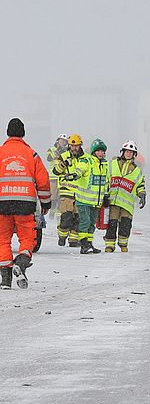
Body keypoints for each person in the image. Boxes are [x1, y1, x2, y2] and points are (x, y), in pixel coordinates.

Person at [0, 118, 51, 290]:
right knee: (28, 238)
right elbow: (43, 182)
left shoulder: (0, 152)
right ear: (23, 133)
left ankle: (5, 280)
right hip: (25, 204)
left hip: (2, 204)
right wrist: (46, 203)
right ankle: (21, 263)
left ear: (8, 133)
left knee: (2, 240)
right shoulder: (32, 154)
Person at [66, 138, 109, 254]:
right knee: (85, 221)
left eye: (102, 151)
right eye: (98, 151)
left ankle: (89, 243)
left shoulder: (105, 164)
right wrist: (75, 174)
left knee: (91, 223)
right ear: (94, 152)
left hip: (96, 201)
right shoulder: (87, 161)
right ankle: (83, 244)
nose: (100, 153)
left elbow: (105, 182)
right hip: (84, 200)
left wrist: (105, 195)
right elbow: (80, 169)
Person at [105, 140, 146, 252]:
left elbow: (140, 185)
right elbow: (106, 180)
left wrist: (142, 194)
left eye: (131, 152)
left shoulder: (137, 171)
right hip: (113, 201)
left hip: (127, 204)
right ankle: (109, 246)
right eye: (127, 151)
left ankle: (123, 246)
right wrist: (104, 194)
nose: (128, 154)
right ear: (123, 152)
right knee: (112, 224)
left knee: (125, 225)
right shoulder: (112, 164)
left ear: (134, 155)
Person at [54, 133, 85, 247]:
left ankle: (73, 240)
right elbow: (56, 171)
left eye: (77, 145)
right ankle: (62, 236)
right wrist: (64, 163)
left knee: (77, 218)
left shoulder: (85, 159)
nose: (75, 148)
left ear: (80, 145)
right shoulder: (63, 156)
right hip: (66, 191)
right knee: (66, 218)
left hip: (80, 193)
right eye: (73, 146)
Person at [46, 133, 68, 216]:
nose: (62, 142)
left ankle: (59, 213)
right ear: (58, 140)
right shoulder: (51, 149)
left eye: (64, 141)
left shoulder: (67, 151)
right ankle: (51, 212)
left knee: (61, 196)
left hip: (62, 177)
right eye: (61, 140)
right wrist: (57, 151)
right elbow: (48, 158)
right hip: (53, 176)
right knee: (53, 196)